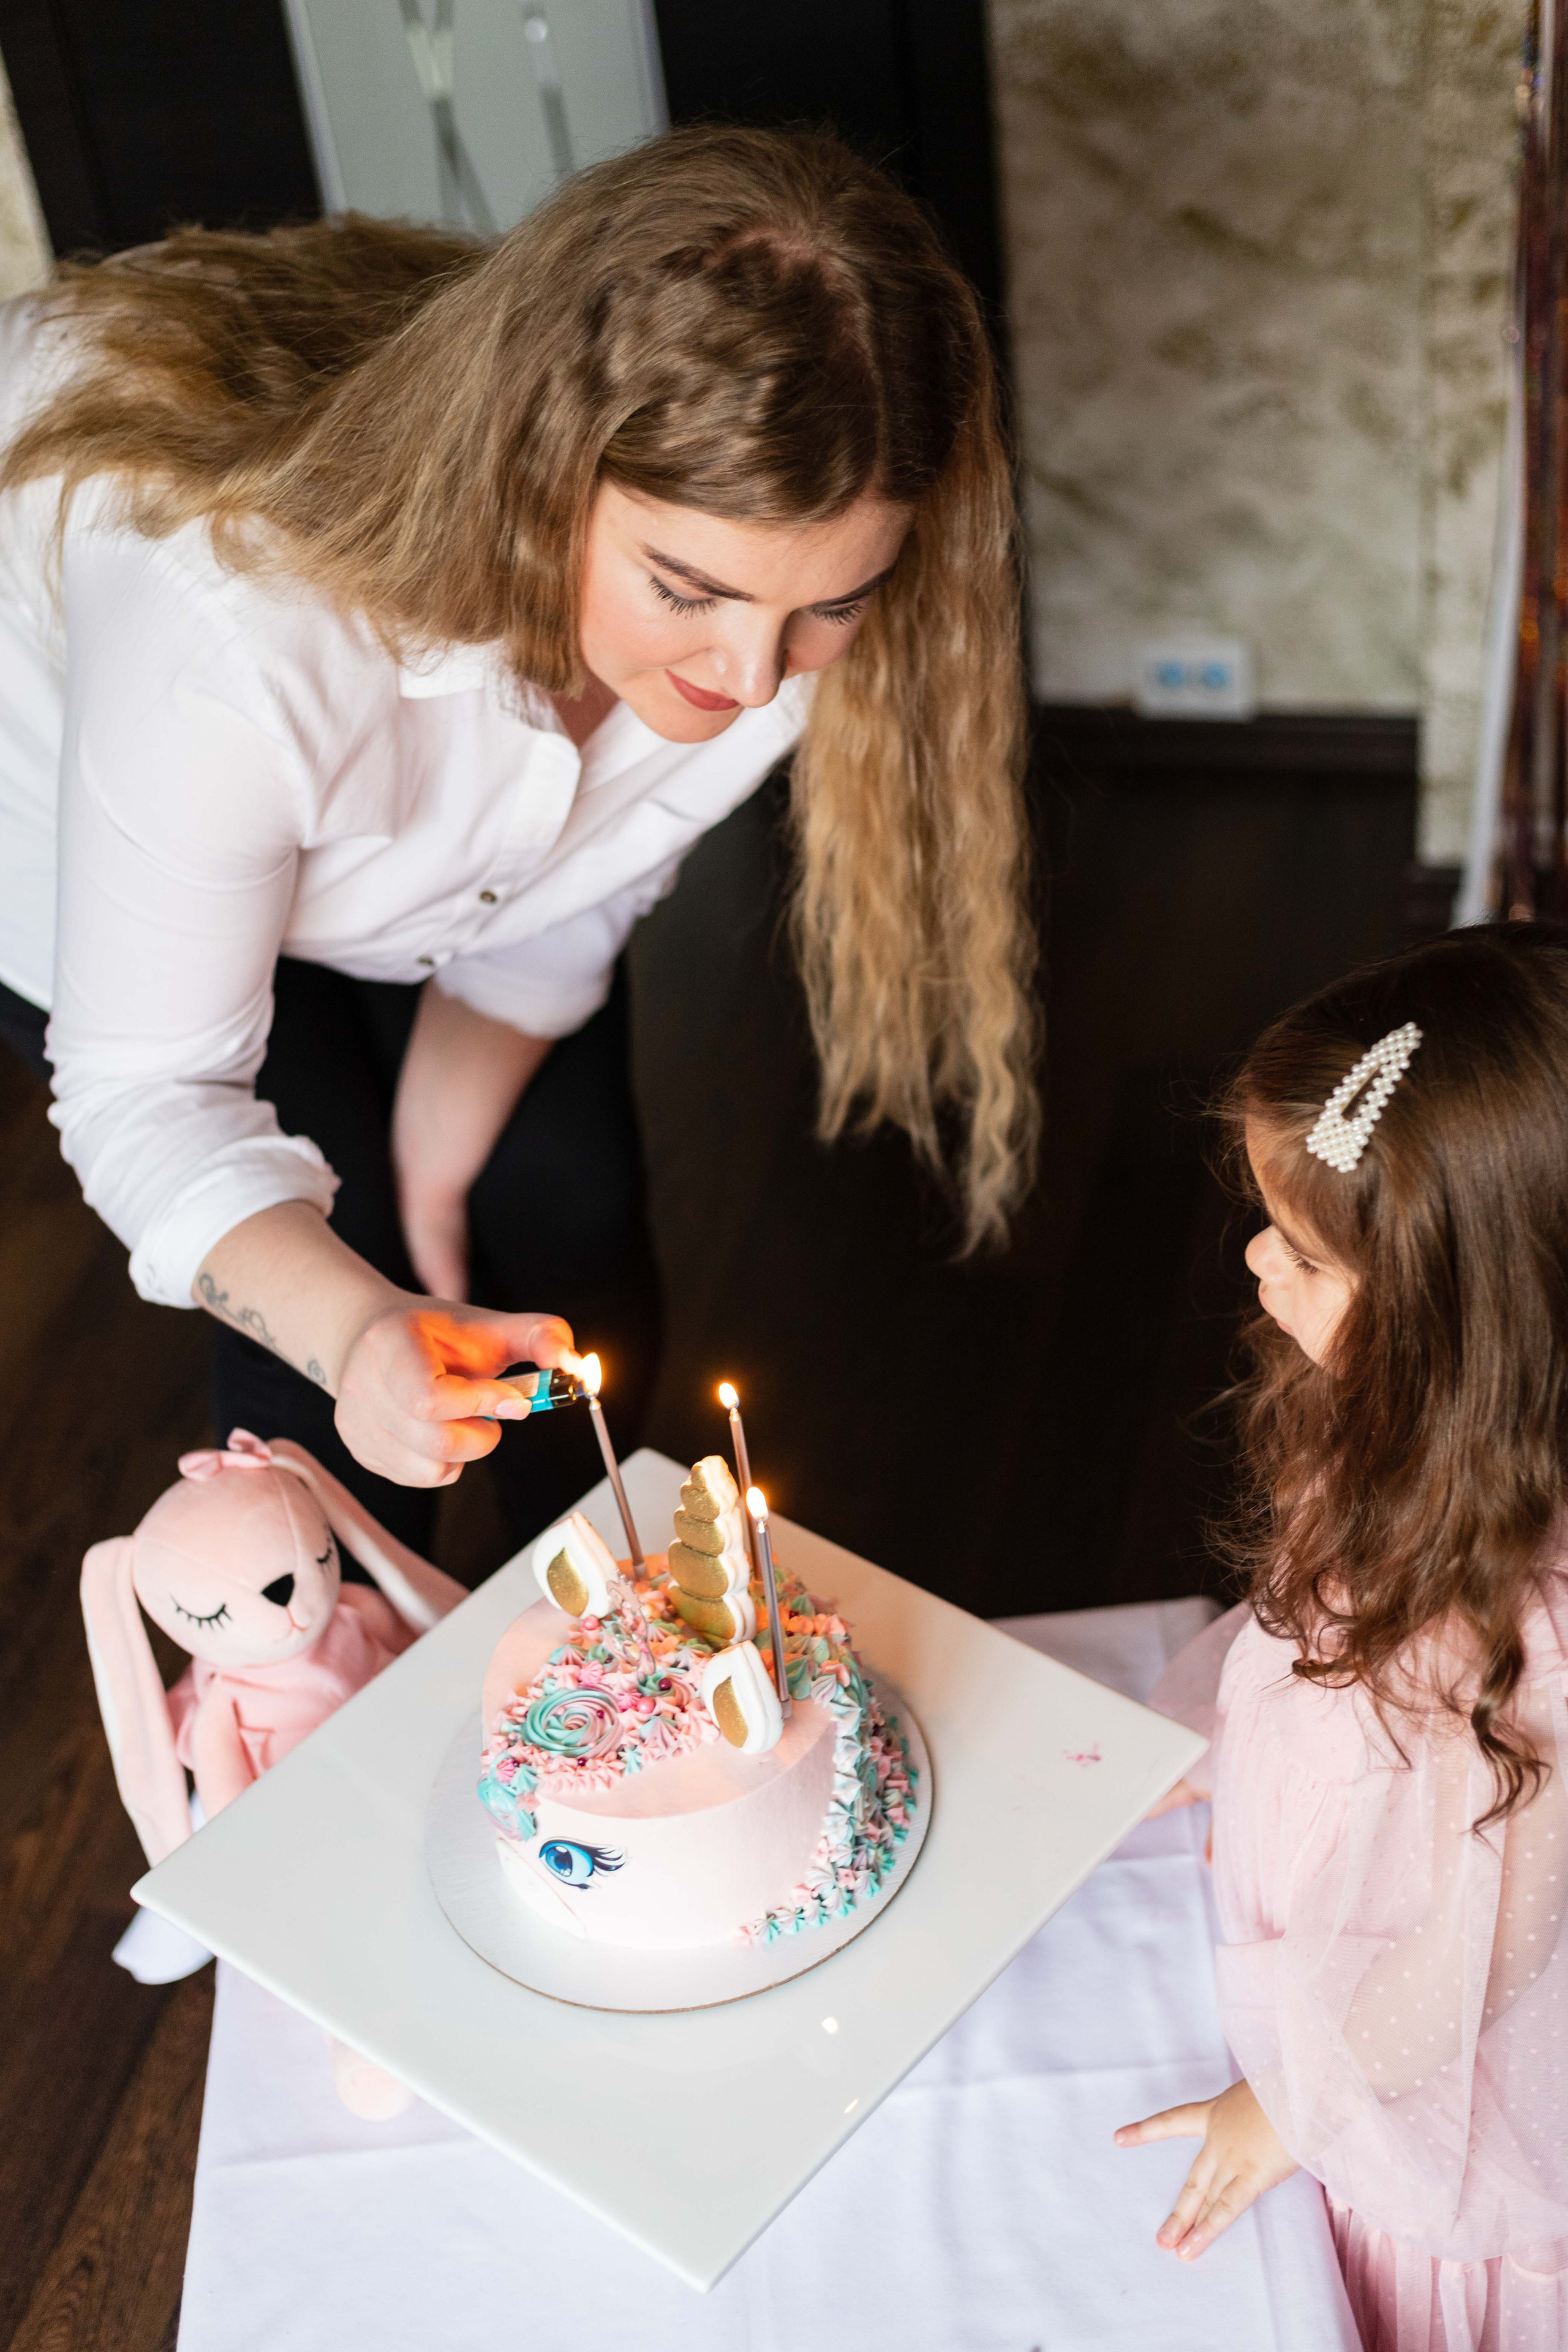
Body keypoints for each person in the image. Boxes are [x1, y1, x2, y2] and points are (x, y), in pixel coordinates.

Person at [0, 126, 1037, 1555]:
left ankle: (608, 1613)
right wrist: (358, 1326)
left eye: (828, 606)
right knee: (336, 1311)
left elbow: (586, 871)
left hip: (365, 811)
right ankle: (331, 1656)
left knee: (565, 1213)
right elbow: (149, 1095)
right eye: (686, 589)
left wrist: (442, 1153)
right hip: (81, 790)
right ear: (542, 465)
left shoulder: (775, 610)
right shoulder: (231, 632)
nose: (751, 680)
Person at [1116, 922, 1568, 2352]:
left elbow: (1479, 1952)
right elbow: (1303, 1630)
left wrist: (1291, 2109)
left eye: (1303, 1255)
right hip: (1326, 1965)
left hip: (1399, 2073)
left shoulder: (1526, 1637)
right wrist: (1221, 1740)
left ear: (1458, 1324)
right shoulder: (1411, 1439)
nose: (1256, 1259)